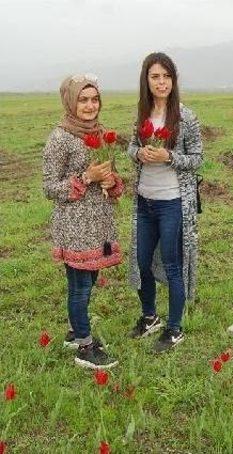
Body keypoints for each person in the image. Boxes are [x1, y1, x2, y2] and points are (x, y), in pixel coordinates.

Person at [43, 74, 124, 369]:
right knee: (80, 286)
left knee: (87, 282)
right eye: (83, 99)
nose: (90, 105)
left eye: (95, 99)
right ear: (70, 101)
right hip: (75, 225)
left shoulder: (101, 133)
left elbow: (111, 174)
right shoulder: (60, 137)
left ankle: (74, 332)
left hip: (98, 222)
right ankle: (85, 347)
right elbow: (50, 186)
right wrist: (87, 177)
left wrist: (110, 181)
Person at [126, 52, 203, 353]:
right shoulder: (142, 114)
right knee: (141, 261)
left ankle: (174, 328)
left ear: (174, 80)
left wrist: (169, 156)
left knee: (173, 265)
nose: (161, 82)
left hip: (173, 203)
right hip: (145, 202)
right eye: (155, 76)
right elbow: (132, 146)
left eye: (166, 76)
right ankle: (150, 317)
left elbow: (198, 159)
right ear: (146, 80)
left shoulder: (186, 117)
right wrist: (139, 153)